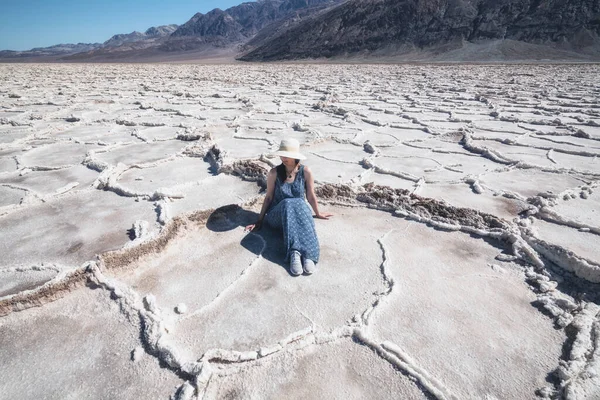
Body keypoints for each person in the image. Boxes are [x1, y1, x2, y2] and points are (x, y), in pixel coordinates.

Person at [245, 138, 333, 276]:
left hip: (297, 213)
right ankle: (294, 253)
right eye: (282, 155)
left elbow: (310, 196)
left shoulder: (306, 172)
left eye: (286, 155)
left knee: (300, 204)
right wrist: (260, 220)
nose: (283, 158)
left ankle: (307, 255)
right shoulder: (274, 173)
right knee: (290, 202)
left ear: (295, 156)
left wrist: (318, 213)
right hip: (277, 216)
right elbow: (268, 198)